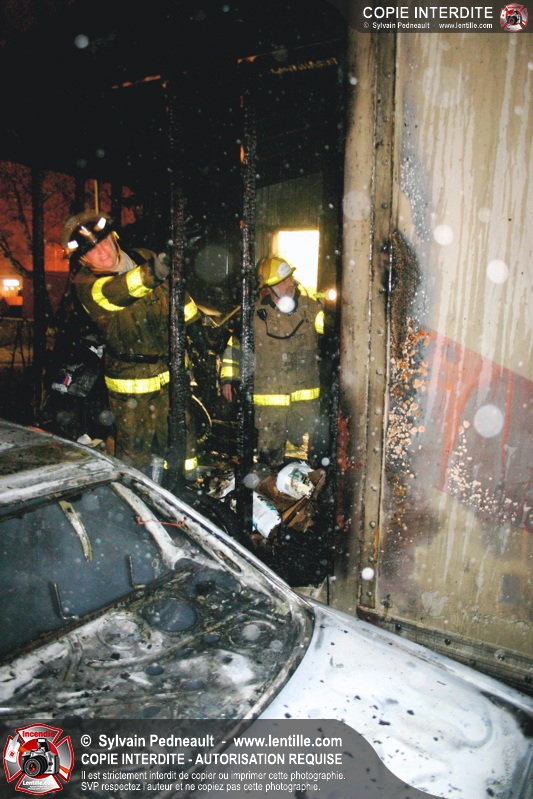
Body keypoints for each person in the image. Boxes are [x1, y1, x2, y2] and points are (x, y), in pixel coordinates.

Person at [62, 209, 200, 477]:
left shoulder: (144, 256)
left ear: (114, 237)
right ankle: (136, 493)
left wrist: (197, 325)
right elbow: (122, 289)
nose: (102, 252)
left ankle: (185, 486)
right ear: (83, 260)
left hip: (170, 370)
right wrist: (159, 266)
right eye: (91, 251)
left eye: (104, 242)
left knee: (182, 439)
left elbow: (176, 296)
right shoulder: (87, 284)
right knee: (135, 450)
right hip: (130, 382)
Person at [220, 255, 324, 468]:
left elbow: (333, 335)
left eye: (290, 278)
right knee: (269, 458)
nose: (290, 283)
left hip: (304, 404)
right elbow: (234, 347)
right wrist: (228, 379)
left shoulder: (312, 309)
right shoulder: (254, 315)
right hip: (270, 405)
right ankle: (271, 483)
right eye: (284, 281)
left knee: (308, 461)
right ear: (269, 288)